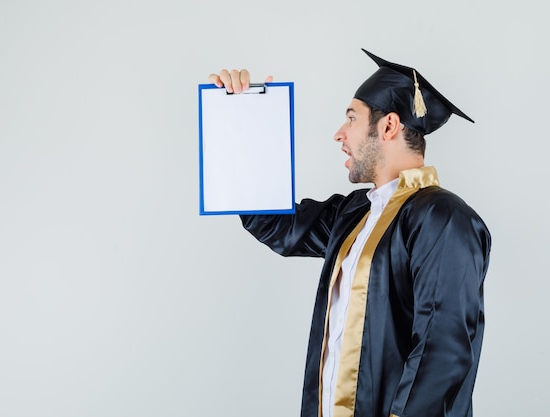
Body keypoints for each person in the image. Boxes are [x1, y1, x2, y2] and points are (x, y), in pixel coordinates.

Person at [208, 49, 491, 417]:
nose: (339, 134)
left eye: (351, 118)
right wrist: (242, 117)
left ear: (388, 126)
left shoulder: (441, 217)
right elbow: (275, 224)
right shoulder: (356, 212)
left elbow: (442, 353)